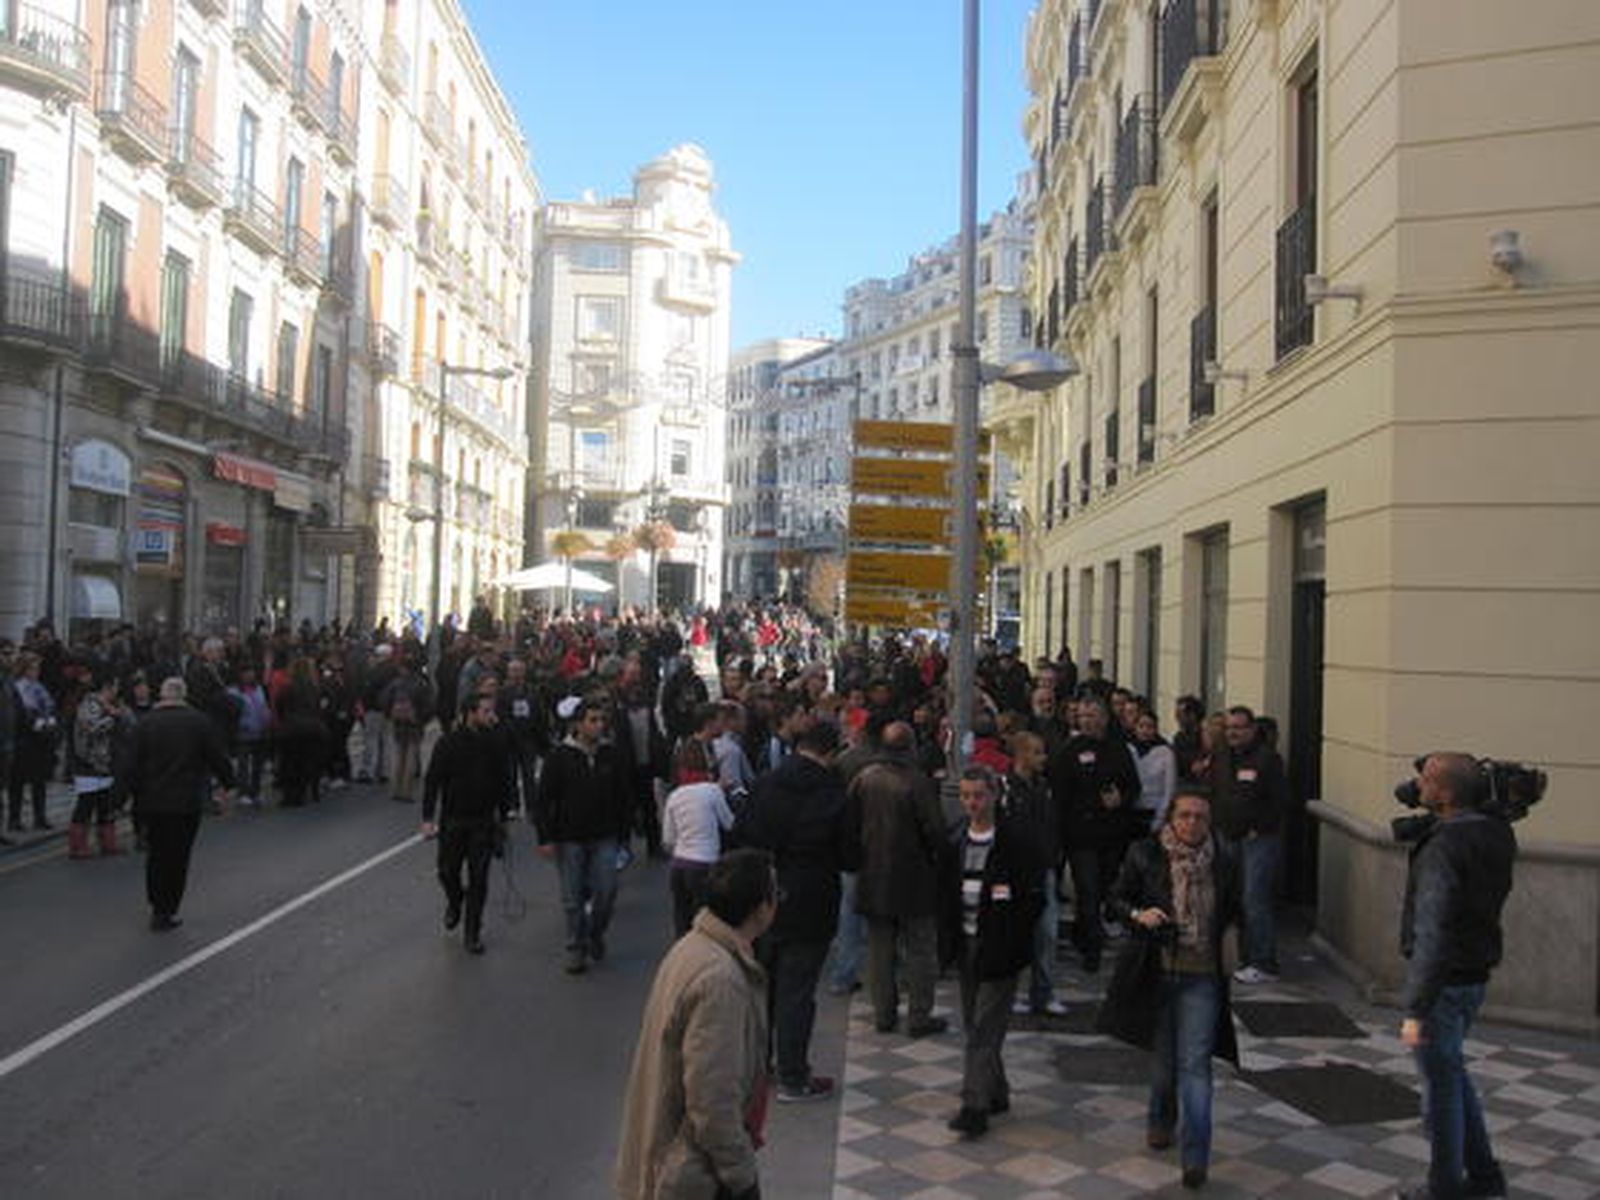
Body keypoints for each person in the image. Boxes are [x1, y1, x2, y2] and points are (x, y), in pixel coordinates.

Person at [615, 848, 775, 1200]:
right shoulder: (720, 980)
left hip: (673, 1155)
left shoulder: (694, 946)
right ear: (761, 908)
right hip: (691, 1173)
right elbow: (711, 1095)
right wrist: (741, 1174)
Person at [1103, 787, 1242, 1191]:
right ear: (1171, 819)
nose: (1192, 824)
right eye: (1184, 816)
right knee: (1164, 1063)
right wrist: (1138, 914)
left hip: (1204, 976)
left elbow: (1237, 908)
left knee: (1195, 1066)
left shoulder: (1226, 858)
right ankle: (1161, 1119)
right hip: (1157, 970)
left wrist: (1233, 935)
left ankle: (1195, 1156)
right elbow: (1115, 899)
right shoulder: (1145, 854)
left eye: (1200, 816)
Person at [1396, 754, 1516, 1200]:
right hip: (1474, 976)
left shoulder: (1445, 846)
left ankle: (1444, 1188)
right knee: (1453, 1077)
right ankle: (1485, 1177)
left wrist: (1415, 1007)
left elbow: (1433, 929)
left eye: (1425, 780)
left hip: (1442, 985)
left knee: (1441, 1093)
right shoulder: (1496, 831)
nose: (1417, 785)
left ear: (1445, 794)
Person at [740, 721, 848, 1103]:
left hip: (763, 895)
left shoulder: (766, 783)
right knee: (797, 992)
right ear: (830, 752)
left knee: (761, 987)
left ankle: (756, 1067)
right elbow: (851, 854)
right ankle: (793, 1075)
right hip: (812, 899)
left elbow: (744, 835)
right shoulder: (832, 792)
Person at [944, 766, 1045, 1139]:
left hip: (1000, 947)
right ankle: (996, 1091)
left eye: (979, 795)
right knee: (975, 1023)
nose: (972, 803)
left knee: (984, 1028)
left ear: (993, 795)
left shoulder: (1014, 839)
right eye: (966, 796)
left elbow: (1034, 896)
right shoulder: (955, 838)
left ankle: (974, 1106)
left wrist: (1015, 936)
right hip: (966, 943)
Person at [844, 721, 948, 1037]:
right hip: (913, 875)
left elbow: (850, 824)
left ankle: (884, 1013)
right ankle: (918, 1015)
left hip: (874, 873)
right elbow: (935, 830)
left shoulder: (864, 779)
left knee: (880, 949)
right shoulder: (917, 783)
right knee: (920, 948)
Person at [534, 696, 633, 974]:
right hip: (570, 838)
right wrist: (545, 837)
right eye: (593, 720)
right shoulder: (559, 757)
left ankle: (595, 932)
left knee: (607, 891)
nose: (599, 725)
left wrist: (625, 833)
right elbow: (544, 800)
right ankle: (575, 947)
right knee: (572, 898)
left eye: (602, 720)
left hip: (605, 836)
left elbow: (623, 795)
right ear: (578, 724)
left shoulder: (610, 754)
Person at [128, 678, 235, 931]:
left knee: (156, 855)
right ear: (183, 696)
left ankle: (157, 905)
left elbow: (131, 764)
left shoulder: (145, 724)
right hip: (185, 802)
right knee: (178, 855)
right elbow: (216, 755)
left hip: (152, 801)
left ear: (162, 696)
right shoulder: (198, 722)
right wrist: (228, 782)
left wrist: (118, 798)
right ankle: (169, 907)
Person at [1050, 694, 1142, 973]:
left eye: (1092, 715)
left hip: (1112, 833)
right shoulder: (1069, 750)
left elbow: (1134, 787)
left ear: (1104, 718)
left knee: (1103, 889)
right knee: (1087, 891)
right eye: (1083, 716)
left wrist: (1121, 799)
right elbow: (1059, 796)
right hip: (1080, 835)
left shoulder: (1119, 749)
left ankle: (1083, 932)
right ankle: (1092, 950)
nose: (1087, 721)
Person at [421, 691, 515, 955]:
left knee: (479, 878)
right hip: (453, 820)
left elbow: (504, 780)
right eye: (485, 711)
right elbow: (433, 781)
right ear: (470, 713)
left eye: (491, 711)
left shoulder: (494, 743)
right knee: (447, 871)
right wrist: (427, 818)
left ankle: (472, 931)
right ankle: (455, 899)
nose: (491, 716)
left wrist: (505, 815)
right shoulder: (448, 744)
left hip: (483, 821)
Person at [1208, 705, 1291, 984]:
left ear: (1252, 729)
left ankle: (1264, 962)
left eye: (1239, 728)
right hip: (1227, 836)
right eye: (1229, 728)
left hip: (1258, 840)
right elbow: (1214, 791)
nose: (1233, 733)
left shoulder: (1268, 759)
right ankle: (1240, 955)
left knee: (1254, 899)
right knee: (1232, 897)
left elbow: (1280, 801)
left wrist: (1260, 827)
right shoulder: (1221, 756)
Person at [1006, 730, 1067, 1016]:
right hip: (1016, 871)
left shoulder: (1044, 787)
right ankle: (1014, 991)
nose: (1043, 758)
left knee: (1047, 934)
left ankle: (1043, 992)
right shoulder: (1007, 788)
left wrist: (1052, 854)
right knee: (1018, 934)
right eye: (1037, 752)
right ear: (1021, 755)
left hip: (1043, 868)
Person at [662, 780, 736, 938]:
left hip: (679, 864)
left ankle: (683, 956)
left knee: (681, 917)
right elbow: (729, 823)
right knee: (707, 920)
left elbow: (668, 838)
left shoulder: (674, 795)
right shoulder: (713, 791)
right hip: (705, 862)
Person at [68, 668, 123, 858]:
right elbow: (90, 727)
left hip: (105, 763)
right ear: (107, 687)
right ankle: (77, 846)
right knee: (86, 805)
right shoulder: (89, 704)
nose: (118, 689)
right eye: (115, 685)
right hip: (88, 762)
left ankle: (107, 843)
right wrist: (112, 717)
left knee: (105, 805)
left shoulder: (109, 704)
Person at [9, 650, 59, 832]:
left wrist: (50, 720)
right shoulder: (17, 687)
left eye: (37, 668)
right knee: (18, 782)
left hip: (40, 740)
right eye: (33, 668)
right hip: (23, 740)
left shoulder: (39, 687)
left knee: (39, 781)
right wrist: (34, 723)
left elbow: (50, 706)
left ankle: (40, 817)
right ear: (24, 669)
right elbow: (17, 713)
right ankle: (14, 819)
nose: (36, 671)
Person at [1132, 708, 1178, 832]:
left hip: (1155, 811)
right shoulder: (1129, 750)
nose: (1145, 731)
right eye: (1141, 726)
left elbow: (1169, 789)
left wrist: (1160, 819)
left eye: (1150, 726)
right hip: (1131, 811)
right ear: (1135, 728)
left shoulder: (1165, 752)